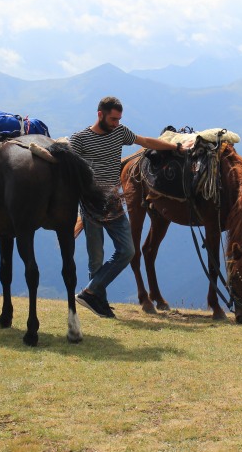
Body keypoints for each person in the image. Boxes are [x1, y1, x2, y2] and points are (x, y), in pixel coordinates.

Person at [69, 96, 189, 318]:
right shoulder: (80, 139)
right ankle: (99, 303)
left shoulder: (120, 132)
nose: (116, 123)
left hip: (113, 201)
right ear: (100, 114)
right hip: (90, 203)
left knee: (127, 251)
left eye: (118, 119)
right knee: (96, 258)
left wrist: (175, 147)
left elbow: (145, 142)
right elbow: (67, 167)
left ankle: (90, 292)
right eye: (113, 119)